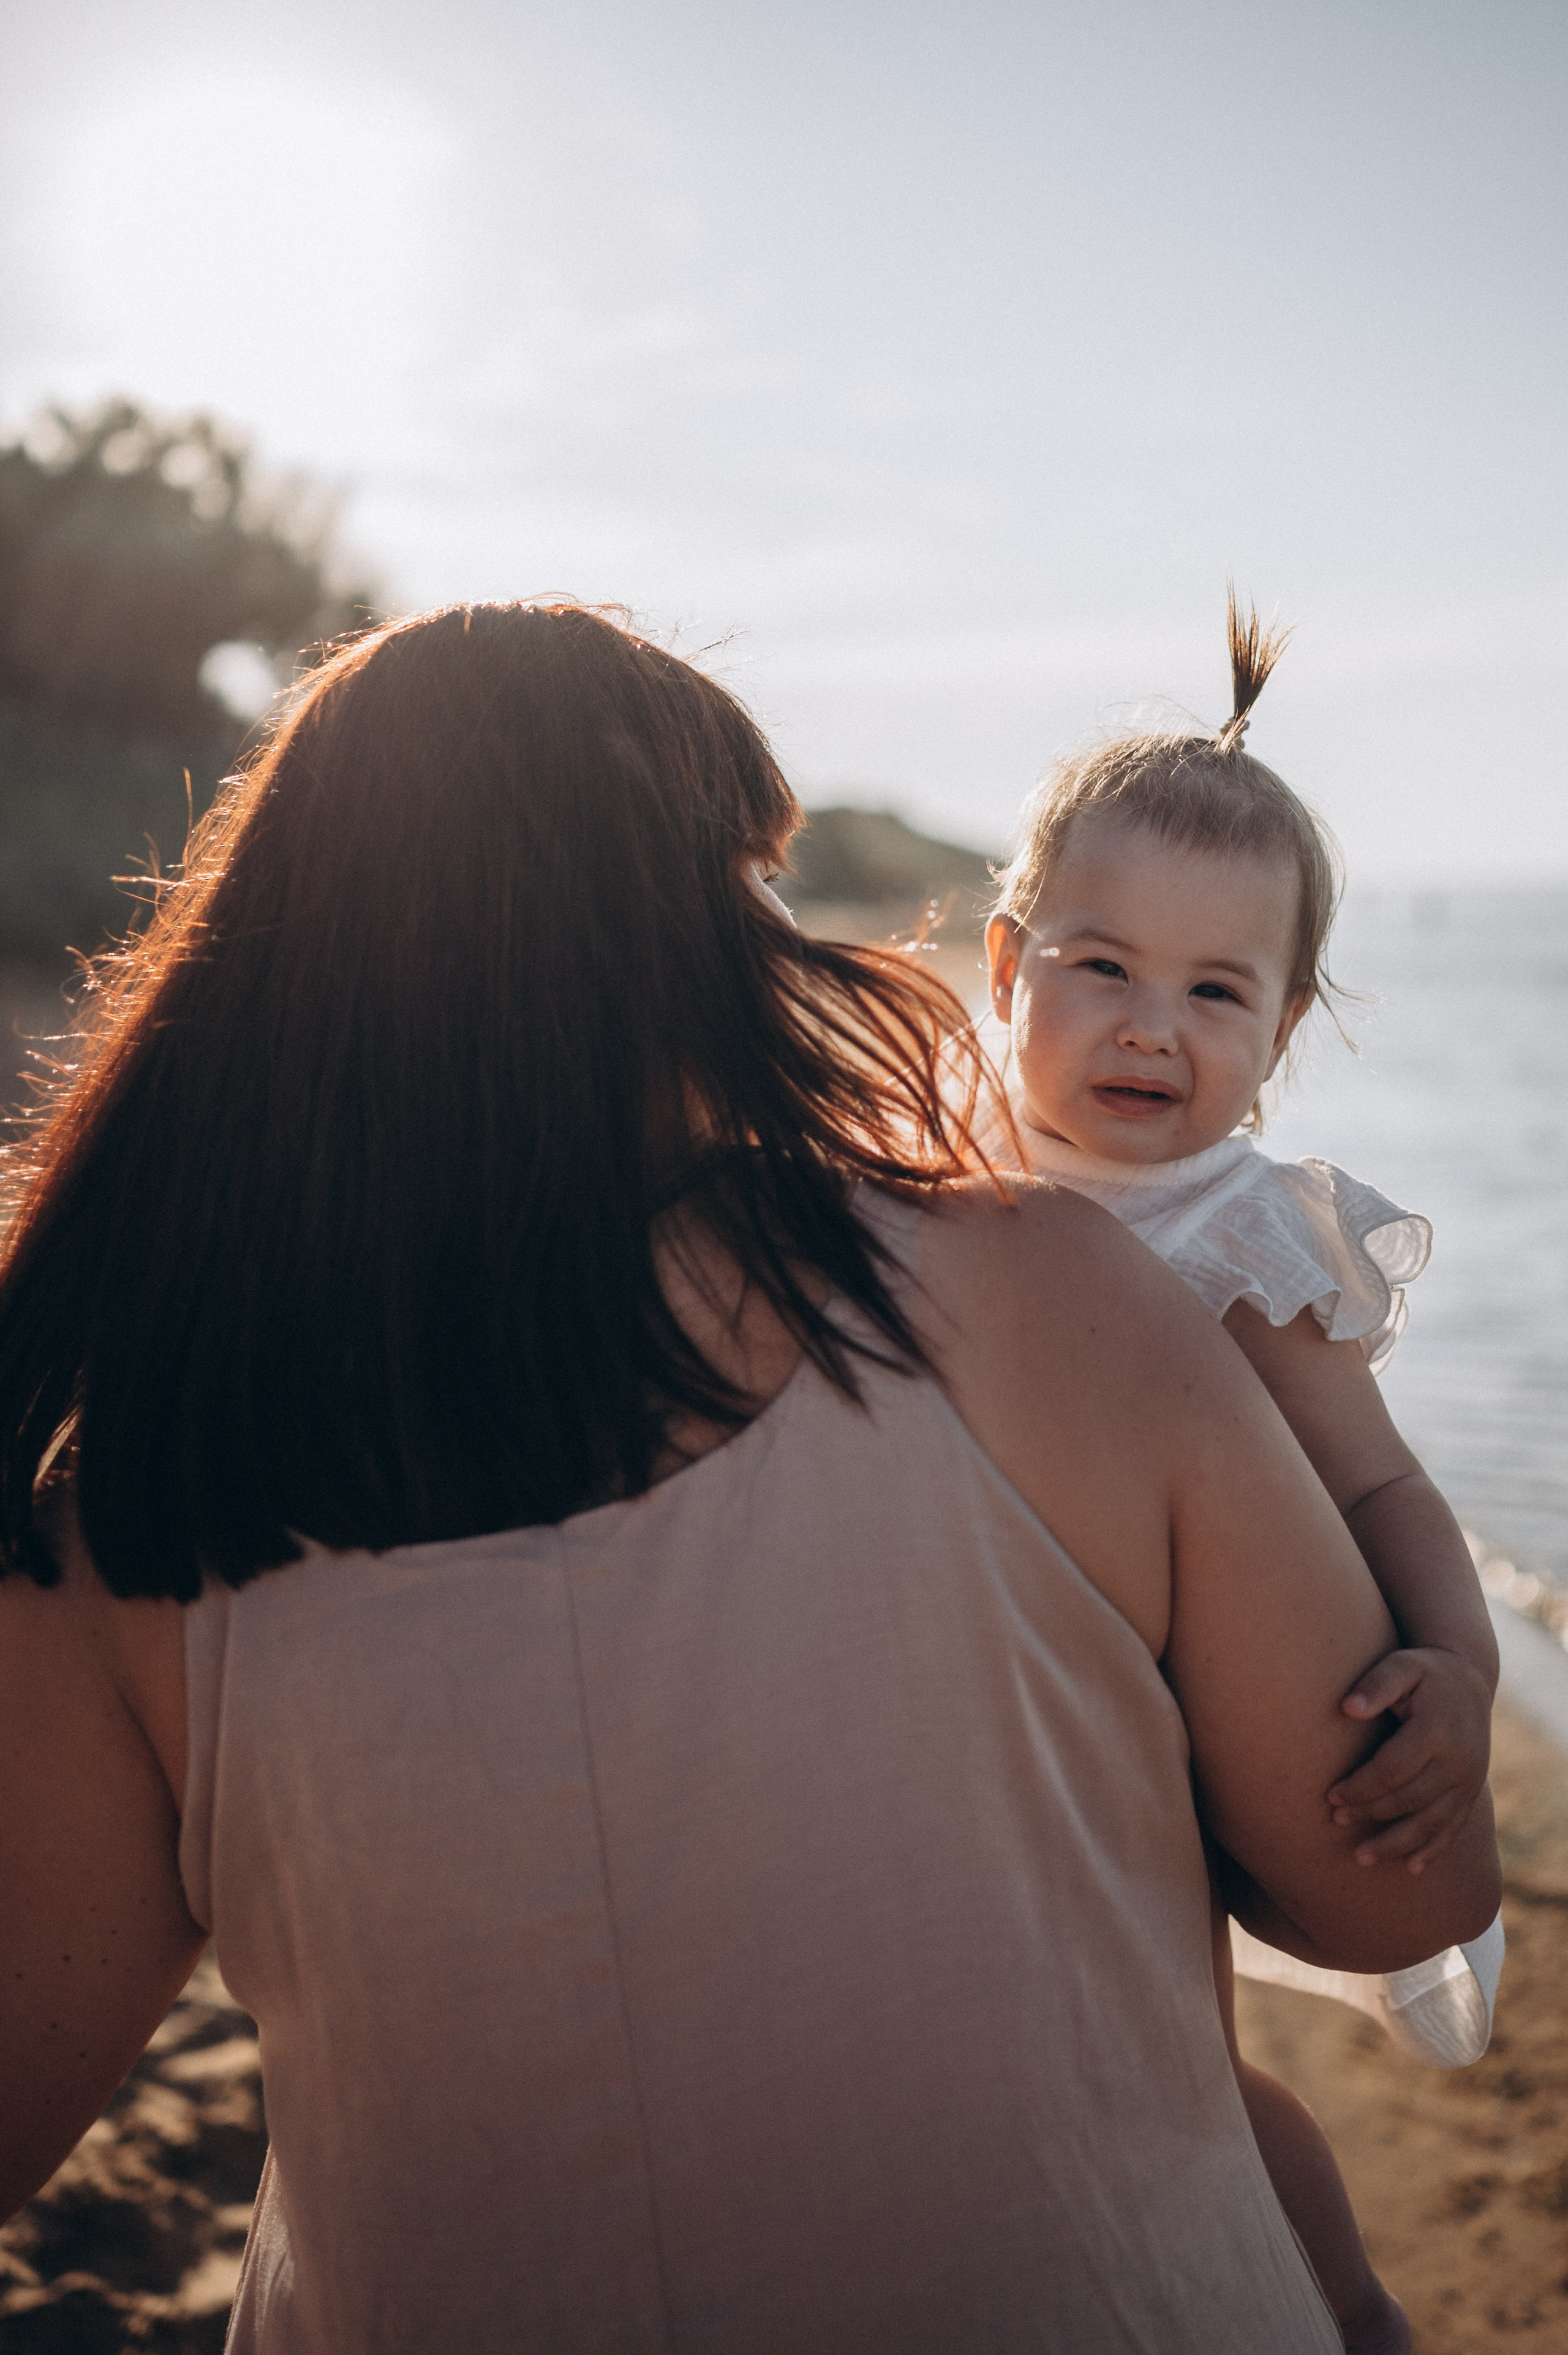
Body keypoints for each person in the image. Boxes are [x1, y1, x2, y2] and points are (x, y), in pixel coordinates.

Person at [0, 602, 1498, 2353]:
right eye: (746, 883)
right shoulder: (1042, 1292)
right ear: (657, 940)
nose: (777, 935)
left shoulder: (132, 1502)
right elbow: (1403, 1888)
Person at [981, 594, 1502, 2354]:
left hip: (1185, 1717)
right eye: (1100, 965)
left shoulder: (1239, 1235)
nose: (1151, 1025)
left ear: (1279, 1039)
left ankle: (1346, 2309)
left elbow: (1384, 1492)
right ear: (1004, 970)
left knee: (1174, 2061)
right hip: (1010, 1689)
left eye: (1217, 990)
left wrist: (1465, 1667)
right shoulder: (936, 1170)